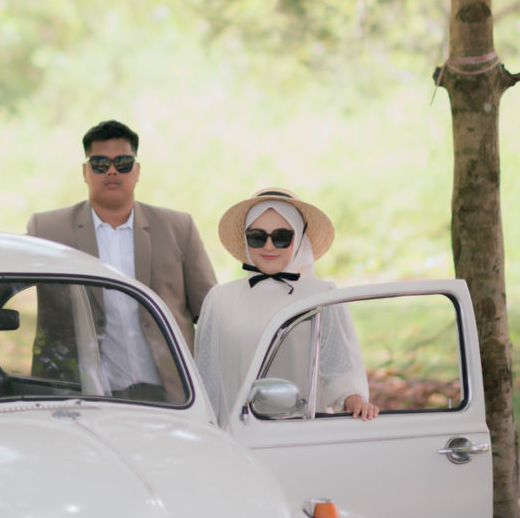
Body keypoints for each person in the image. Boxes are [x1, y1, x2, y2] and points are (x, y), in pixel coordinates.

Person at [27, 119, 217, 395]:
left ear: (137, 170)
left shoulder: (178, 228)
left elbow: (210, 315)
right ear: (85, 171)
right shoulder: (48, 230)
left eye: (123, 163)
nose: (112, 171)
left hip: (173, 394)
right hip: (84, 396)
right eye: (100, 163)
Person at [194, 186, 378, 423]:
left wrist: (355, 401)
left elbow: (340, 365)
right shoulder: (219, 299)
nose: (269, 247)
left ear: (299, 238)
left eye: (281, 237)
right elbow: (206, 377)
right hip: (238, 432)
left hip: (302, 432)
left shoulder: (322, 296)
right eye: (257, 237)